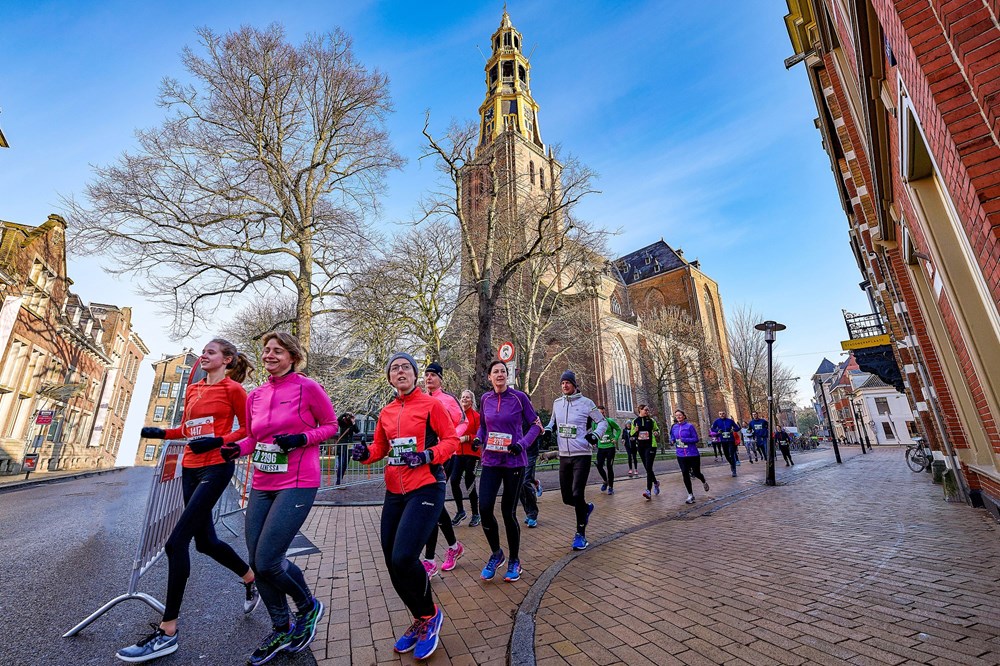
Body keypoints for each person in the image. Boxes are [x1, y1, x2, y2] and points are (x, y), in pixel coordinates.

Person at [117, 339, 258, 663]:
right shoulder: (194, 390)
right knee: (206, 542)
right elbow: (187, 429)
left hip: (217, 467)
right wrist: (161, 433)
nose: (204, 356)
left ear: (227, 360)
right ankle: (249, 577)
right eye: (204, 352)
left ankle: (168, 631)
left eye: (211, 352)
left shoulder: (234, 390)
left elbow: (249, 431)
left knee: (176, 543)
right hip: (191, 468)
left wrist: (219, 439)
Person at [220, 332, 336, 666]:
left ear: (292, 357)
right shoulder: (254, 395)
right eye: (267, 350)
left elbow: (329, 426)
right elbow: (254, 439)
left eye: (278, 350)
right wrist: (234, 449)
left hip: (298, 482)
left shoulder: (308, 387)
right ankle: (281, 626)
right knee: (257, 561)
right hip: (262, 482)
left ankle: (308, 605)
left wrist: (302, 436)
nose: (270, 355)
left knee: (269, 559)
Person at [350, 352, 458, 660]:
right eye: (395, 368)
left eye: (406, 367)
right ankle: (420, 618)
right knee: (391, 560)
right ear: (389, 377)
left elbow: (451, 440)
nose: (400, 371)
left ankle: (431, 614)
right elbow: (381, 448)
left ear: (414, 374)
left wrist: (426, 456)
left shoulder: (432, 405)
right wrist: (364, 454)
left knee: (405, 556)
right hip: (395, 491)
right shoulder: (386, 412)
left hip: (426, 485)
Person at [477, 359, 542, 582]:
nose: (499, 374)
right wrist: (478, 439)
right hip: (491, 461)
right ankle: (497, 553)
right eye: (495, 371)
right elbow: (483, 426)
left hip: (514, 462)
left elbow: (536, 425)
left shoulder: (519, 397)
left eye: (503, 371)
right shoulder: (485, 398)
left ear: (508, 375)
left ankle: (515, 560)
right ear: (489, 377)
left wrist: (521, 444)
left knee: (508, 512)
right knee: (484, 507)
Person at [546, 371, 607, 551]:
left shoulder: (587, 403)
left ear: (574, 384)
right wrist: (548, 430)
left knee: (577, 494)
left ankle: (580, 535)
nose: (564, 386)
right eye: (562, 383)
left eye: (568, 383)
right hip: (564, 455)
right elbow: (552, 422)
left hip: (582, 454)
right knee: (567, 498)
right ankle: (586, 508)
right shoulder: (557, 403)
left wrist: (595, 435)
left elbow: (602, 422)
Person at [421, 362, 466, 577]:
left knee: (431, 506)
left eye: (433, 375)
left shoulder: (447, 400)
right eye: (426, 375)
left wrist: (448, 438)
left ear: (440, 378)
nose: (428, 378)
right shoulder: (420, 400)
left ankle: (429, 561)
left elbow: (463, 422)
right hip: (425, 458)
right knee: (435, 506)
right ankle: (454, 547)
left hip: (444, 457)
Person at [451, 389, 481, 529]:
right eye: (463, 397)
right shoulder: (456, 416)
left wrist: (467, 438)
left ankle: (475, 513)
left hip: (472, 454)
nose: (464, 399)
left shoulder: (476, 416)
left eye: (467, 397)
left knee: (470, 482)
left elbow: (480, 435)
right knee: (454, 480)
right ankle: (460, 511)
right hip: (458, 453)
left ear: (472, 400)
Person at [669, 409, 709, 504]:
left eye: (680, 415)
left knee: (696, 473)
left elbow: (696, 439)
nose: (678, 417)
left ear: (684, 416)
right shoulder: (674, 427)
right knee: (685, 473)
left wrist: (685, 440)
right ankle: (690, 495)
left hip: (692, 453)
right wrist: (672, 441)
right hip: (681, 454)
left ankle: (703, 481)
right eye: (676, 415)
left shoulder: (689, 426)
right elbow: (673, 437)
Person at [629, 405, 661, 500]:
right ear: (640, 410)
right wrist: (635, 430)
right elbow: (631, 435)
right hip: (641, 447)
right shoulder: (635, 421)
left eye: (648, 409)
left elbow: (657, 430)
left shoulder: (651, 421)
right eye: (645, 410)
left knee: (649, 467)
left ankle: (648, 491)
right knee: (648, 468)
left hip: (651, 446)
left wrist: (656, 433)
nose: (647, 411)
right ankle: (655, 483)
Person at [520, 427, 543, 528]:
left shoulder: (531, 414)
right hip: (517, 452)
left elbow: (540, 430)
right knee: (519, 485)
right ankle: (528, 512)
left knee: (525, 482)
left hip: (530, 452)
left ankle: (533, 514)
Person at [595, 406, 621, 495]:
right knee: (598, 465)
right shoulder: (595, 423)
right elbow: (593, 433)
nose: (602, 415)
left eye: (603, 413)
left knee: (609, 467)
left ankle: (611, 487)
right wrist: (594, 441)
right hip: (601, 448)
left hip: (610, 447)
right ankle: (605, 481)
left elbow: (618, 429)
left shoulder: (609, 421)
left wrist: (616, 438)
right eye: (600, 413)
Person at [712, 410, 741, 478]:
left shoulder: (730, 421)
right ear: (719, 415)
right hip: (723, 440)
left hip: (731, 439)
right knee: (726, 454)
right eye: (720, 414)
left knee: (732, 453)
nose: (722, 415)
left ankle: (734, 470)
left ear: (725, 414)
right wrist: (717, 431)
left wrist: (733, 430)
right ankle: (731, 463)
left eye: (723, 414)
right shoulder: (717, 421)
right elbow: (712, 428)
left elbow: (737, 428)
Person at [334, 413, 359, 486]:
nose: (349, 417)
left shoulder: (352, 424)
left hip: (349, 446)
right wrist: (344, 414)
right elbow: (338, 419)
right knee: (341, 463)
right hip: (342, 445)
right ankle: (338, 481)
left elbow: (357, 431)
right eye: (348, 416)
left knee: (345, 464)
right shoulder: (343, 423)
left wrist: (354, 422)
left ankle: (340, 478)